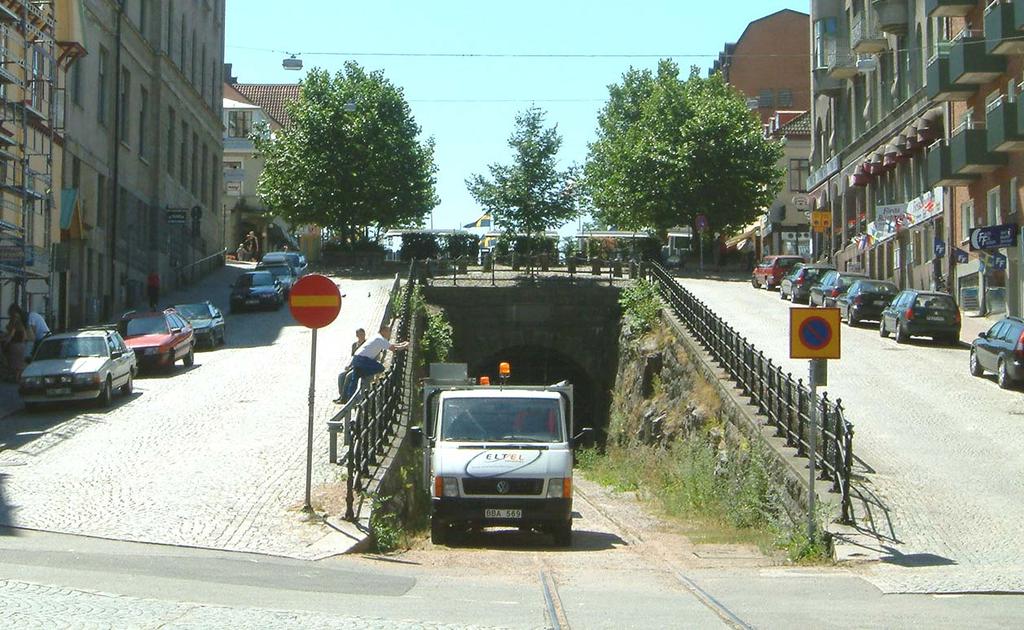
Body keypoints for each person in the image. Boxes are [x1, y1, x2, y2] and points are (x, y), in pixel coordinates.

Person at [336, 324, 408, 403]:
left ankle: (350, 399)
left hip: (357, 358)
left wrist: (402, 344)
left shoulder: (376, 337)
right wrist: (405, 346)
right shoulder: (380, 339)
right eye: (388, 331)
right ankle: (363, 374)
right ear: (383, 331)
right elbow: (393, 349)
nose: (389, 333)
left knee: (354, 380)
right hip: (362, 359)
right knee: (380, 368)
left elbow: (392, 345)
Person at [2, 304, 30, 381]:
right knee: (19, 363)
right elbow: (24, 334)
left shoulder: (15, 320)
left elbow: (11, 333)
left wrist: (6, 341)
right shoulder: (21, 319)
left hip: (15, 344)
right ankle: (18, 377)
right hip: (21, 344)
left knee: (14, 363)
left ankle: (17, 378)